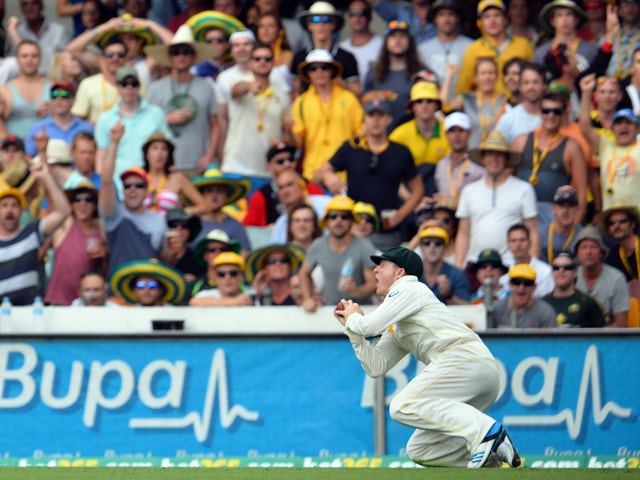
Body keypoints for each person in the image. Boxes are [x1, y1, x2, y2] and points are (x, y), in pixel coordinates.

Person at [334, 246, 521, 468]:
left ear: (399, 272)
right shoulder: (400, 315)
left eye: (382, 265)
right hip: (477, 373)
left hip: (464, 360)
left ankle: (489, 433)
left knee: (402, 405)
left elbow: (369, 325)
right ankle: (490, 463)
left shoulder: (409, 288)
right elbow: (376, 366)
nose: (375, 271)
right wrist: (352, 331)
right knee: (421, 449)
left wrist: (355, 319)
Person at [314, 96, 423, 250]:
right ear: (364, 119)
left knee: (386, 270)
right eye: (371, 115)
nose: (375, 120)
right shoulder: (351, 148)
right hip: (355, 227)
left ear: (389, 119)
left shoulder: (400, 152)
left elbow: (418, 189)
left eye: (381, 116)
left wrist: (402, 213)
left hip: (386, 230)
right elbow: (316, 176)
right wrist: (327, 175)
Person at [455, 131, 538, 268]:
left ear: (506, 159)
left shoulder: (524, 189)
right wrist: (459, 265)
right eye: (490, 154)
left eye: (499, 154)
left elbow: (532, 231)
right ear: (483, 158)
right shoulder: (469, 190)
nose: (494, 159)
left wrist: (531, 267)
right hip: (475, 263)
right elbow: (463, 232)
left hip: (511, 264)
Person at [145, 25, 219, 178]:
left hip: (197, 164)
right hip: (165, 166)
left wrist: (210, 155)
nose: (181, 57)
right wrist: (167, 118)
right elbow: (146, 124)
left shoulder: (206, 86)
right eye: (176, 53)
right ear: (170, 58)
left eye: (186, 52)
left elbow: (215, 124)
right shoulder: (155, 88)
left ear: (193, 57)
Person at [511, 88, 588, 230]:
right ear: (540, 113)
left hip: (554, 218)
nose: (551, 115)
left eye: (556, 111)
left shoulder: (572, 147)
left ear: (564, 113)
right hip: (520, 215)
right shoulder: (520, 142)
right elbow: (506, 180)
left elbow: (581, 195)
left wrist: (571, 232)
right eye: (546, 111)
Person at [99, 120, 166, 276]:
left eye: (138, 185)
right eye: (127, 186)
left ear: (147, 191)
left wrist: (176, 250)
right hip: (118, 290)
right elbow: (106, 181)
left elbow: (163, 257)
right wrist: (114, 142)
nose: (133, 190)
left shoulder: (158, 220)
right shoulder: (114, 215)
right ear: (123, 191)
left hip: (147, 290)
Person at [221, 42, 292, 189]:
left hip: (266, 171)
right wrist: (248, 86)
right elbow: (234, 90)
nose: (262, 62)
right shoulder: (239, 84)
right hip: (235, 167)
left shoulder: (282, 95)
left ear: (273, 63)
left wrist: (286, 135)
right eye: (257, 58)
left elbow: (287, 137)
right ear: (250, 63)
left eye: (267, 59)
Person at [94, 66, 171, 198]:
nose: (129, 88)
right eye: (124, 84)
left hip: (150, 187)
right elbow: (101, 157)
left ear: (139, 86)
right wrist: (105, 188)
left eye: (133, 84)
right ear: (117, 86)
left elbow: (168, 150)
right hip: (117, 187)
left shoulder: (156, 113)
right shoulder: (105, 119)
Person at [0, 163, 70, 305]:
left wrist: (46, 177)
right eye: (4, 205)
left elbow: (63, 211)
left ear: (21, 211)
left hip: (29, 314)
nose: (9, 210)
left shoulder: (32, 233)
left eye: (14, 205)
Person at [291, 49, 363, 182]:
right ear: (308, 73)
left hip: (345, 174)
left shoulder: (349, 99)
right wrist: (288, 128)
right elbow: (298, 143)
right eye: (313, 68)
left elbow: (360, 134)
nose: (319, 72)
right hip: (313, 173)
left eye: (324, 67)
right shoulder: (300, 103)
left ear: (332, 71)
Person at [298, 196, 378, 312]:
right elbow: (304, 273)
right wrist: (308, 298)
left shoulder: (364, 245)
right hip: (329, 311)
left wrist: (357, 290)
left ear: (352, 221)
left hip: (359, 312)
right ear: (327, 221)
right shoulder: (318, 245)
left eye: (344, 217)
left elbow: (372, 283)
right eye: (333, 216)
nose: (338, 220)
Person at [579, 74, 640, 211]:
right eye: (618, 124)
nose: (623, 127)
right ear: (612, 129)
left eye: (628, 124)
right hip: (608, 216)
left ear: (637, 129)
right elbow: (585, 128)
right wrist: (586, 92)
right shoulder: (606, 146)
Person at [45, 178, 108, 306]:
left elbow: (105, 272)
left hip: (89, 302)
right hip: (59, 301)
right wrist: (46, 174)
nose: (82, 203)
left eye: (88, 199)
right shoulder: (65, 226)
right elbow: (55, 203)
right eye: (77, 199)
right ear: (71, 205)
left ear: (95, 205)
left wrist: (105, 257)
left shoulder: (101, 232)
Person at [455, 0, 532, 96]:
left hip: (519, 104)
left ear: (505, 19)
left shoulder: (523, 45)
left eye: (497, 15)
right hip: (486, 108)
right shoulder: (472, 50)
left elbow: (534, 77)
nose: (492, 20)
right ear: (480, 23)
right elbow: (463, 89)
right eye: (487, 16)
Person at [389, 81, 450, 197]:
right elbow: (389, 172)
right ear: (412, 106)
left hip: (442, 191)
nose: (424, 105)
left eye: (429, 101)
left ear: (437, 105)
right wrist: (412, 202)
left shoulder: (449, 131)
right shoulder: (399, 134)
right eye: (419, 101)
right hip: (407, 193)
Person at [290, 1, 360, 97]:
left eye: (326, 20)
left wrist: (337, 80)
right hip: (309, 109)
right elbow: (295, 93)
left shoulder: (347, 57)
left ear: (333, 25)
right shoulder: (299, 57)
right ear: (309, 25)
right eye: (315, 20)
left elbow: (357, 94)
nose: (321, 24)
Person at [364, 20, 423, 126]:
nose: (397, 40)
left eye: (402, 36)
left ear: (410, 42)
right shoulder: (374, 72)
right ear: (386, 42)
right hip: (380, 135)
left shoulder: (421, 73)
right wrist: (376, 96)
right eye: (393, 36)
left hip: (410, 133)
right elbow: (363, 101)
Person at [442, 56, 508, 149]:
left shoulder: (504, 100)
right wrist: (449, 75)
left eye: (491, 73)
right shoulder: (467, 98)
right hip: (471, 155)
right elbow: (444, 105)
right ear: (475, 78)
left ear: (497, 77)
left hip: (496, 154)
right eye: (483, 73)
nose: (487, 77)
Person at [189, 164, 251, 255]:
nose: (214, 196)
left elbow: (243, 255)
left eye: (219, 191)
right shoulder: (191, 224)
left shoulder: (236, 225)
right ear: (202, 195)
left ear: (226, 195)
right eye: (209, 191)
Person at [574, 226, 629, 327]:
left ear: (601, 253)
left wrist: (597, 337)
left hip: (607, 338)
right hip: (576, 337)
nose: (588, 252)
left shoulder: (616, 278)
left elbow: (621, 323)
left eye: (593, 247)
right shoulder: (571, 276)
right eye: (584, 247)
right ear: (577, 254)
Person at [417, 0, 471, 104]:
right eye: (441, 15)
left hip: (464, 107)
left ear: (457, 18)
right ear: (435, 19)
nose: (446, 20)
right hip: (431, 108)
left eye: (451, 14)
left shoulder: (471, 46)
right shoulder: (422, 49)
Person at [141, 132, 207, 215]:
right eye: (155, 148)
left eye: (164, 149)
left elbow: (205, 206)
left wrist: (184, 213)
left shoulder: (177, 178)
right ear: (147, 154)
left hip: (171, 227)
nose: (159, 153)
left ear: (168, 155)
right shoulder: (139, 177)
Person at [24, 81, 94, 157]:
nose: (59, 99)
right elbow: (28, 157)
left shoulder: (87, 128)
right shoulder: (38, 128)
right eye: (54, 95)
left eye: (64, 95)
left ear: (73, 99)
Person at [70, 36, 128, 124]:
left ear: (126, 58)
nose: (115, 58)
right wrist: (93, 126)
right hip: (94, 135)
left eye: (120, 55)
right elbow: (77, 120)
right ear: (102, 58)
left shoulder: (135, 84)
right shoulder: (87, 84)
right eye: (110, 55)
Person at [0, 40, 50, 141]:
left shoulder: (52, 87)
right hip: (15, 151)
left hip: (46, 148)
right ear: (17, 60)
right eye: (24, 56)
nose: (29, 60)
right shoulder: (4, 90)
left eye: (34, 56)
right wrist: (8, 147)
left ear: (40, 60)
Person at [532, 0, 597, 77]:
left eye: (569, 14)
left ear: (577, 19)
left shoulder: (592, 50)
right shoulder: (540, 53)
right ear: (552, 21)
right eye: (559, 15)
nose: (564, 19)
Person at [7, 0, 71, 77]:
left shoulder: (60, 31)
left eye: (34, 3)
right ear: (21, 9)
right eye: (25, 4)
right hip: (27, 83)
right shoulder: (16, 33)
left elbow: (68, 63)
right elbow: (13, 65)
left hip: (55, 82)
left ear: (42, 5)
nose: (29, 8)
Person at [542, 252, 606, 328]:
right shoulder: (542, 303)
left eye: (567, 267)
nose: (561, 270)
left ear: (575, 272)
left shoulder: (588, 302)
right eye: (556, 268)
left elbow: (601, 335)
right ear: (552, 272)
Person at [434, 112, 485, 205]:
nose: (457, 135)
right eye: (452, 131)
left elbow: (483, 200)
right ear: (446, 135)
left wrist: (453, 202)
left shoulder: (479, 164)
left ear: (469, 133)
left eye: (461, 130)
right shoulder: (441, 165)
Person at [492, 264, 558, 328]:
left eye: (527, 283)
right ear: (510, 285)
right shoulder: (496, 309)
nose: (521, 288)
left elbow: (551, 339)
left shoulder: (545, 312)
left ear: (534, 287)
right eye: (516, 282)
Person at [495, 62, 546, 144]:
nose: (531, 87)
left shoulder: (553, 117)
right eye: (526, 83)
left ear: (544, 85)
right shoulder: (507, 119)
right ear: (520, 87)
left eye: (535, 82)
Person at [417, 226, 470, 305]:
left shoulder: (457, 275)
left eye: (438, 243)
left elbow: (468, 308)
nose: (432, 246)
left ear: (445, 247)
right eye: (427, 242)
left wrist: (448, 295)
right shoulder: (411, 273)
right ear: (421, 247)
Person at [500, 223, 554, 298]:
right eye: (513, 241)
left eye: (522, 240)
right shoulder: (504, 277)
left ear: (530, 243)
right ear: (508, 245)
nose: (518, 244)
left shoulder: (545, 272)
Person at [339, 1, 383, 85]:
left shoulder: (383, 45)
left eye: (361, 13)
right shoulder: (341, 48)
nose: (357, 18)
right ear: (349, 18)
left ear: (370, 17)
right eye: (352, 14)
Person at [110, 258, 187, 306]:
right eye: (141, 285)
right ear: (134, 291)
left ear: (161, 290)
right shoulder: (129, 314)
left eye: (152, 285)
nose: (146, 290)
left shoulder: (173, 313)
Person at [188, 251, 254, 306]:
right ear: (215, 279)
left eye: (233, 273)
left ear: (241, 277)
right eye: (221, 274)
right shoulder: (207, 294)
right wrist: (234, 302)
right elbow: (194, 302)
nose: (227, 277)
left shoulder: (248, 295)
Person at [595, 203, 640, 282]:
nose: (616, 225)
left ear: (632, 225)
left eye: (622, 221)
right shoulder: (612, 257)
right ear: (608, 229)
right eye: (611, 223)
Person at [540, 185, 584, 264]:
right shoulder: (539, 234)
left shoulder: (583, 236)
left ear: (577, 209)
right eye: (561, 206)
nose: (566, 211)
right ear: (553, 209)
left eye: (570, 206)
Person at [159, 207, 203, 283]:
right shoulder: (157, 253)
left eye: (184, 225)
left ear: (190, 231)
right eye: (173, 225)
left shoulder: (197, 258)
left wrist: (195, 280)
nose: (179, 228)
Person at [369, 0, 437, 45]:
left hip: (433, 61)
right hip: (405, 61)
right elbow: (374, 2)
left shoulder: (440, 13)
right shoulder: (400, 11)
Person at [607, 0, 640, 78]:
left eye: (634, 3)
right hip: (610, 87)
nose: (630, 7)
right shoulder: (608, 38)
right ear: (618, 10)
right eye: (625, 3)